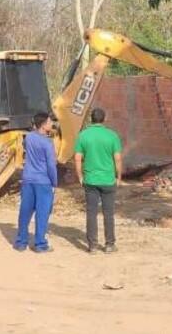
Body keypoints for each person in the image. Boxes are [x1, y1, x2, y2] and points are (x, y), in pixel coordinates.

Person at [74, 107, 122, 254]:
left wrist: (80, 177)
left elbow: (77, 158)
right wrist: (118, 177)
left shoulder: (83, 135)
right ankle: (109, 244)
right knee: (108, 213)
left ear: (91, 119)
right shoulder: (112, 136)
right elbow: (118, 158)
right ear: (104, 119)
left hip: (90, 180)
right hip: (108, 180)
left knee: (91, 212)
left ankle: (92, 245)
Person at [14, 112, 58, 253]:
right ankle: (40, 244)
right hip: (43, 182)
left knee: (25, 212)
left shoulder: (29, 138)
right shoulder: (47, 143)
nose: (52, 124)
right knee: (42, 213)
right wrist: (54, 182)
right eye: (50, 122)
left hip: (28, 180)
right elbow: (51, 166)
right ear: (44, 125)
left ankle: (21, 242)